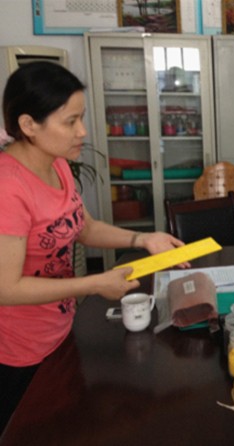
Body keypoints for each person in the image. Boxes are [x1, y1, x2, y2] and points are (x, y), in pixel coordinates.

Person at [0, 61, 189, 433]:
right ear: (28, 125)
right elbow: (6, 288)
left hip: (59, 332)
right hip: (20, 354)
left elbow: (83, 227)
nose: (82, 131)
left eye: (81, 118)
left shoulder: (57, 165)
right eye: (70, 121)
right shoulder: (8, 188)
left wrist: (141, 239)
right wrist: (95, 284)